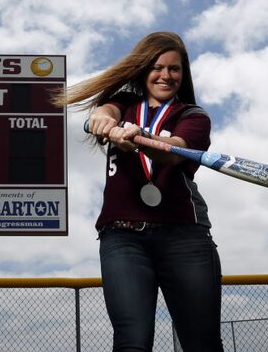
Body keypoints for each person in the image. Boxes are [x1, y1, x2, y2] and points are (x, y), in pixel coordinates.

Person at [53, 31, 223, 351]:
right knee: (132, 341)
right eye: (157, 67)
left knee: (202, 344)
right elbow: (104, 113)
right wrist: (104, 122)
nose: (165, 75)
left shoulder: (193, 116)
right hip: (123, 238)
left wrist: (143, 135)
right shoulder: (124, 104)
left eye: (174, 69)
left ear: (183, 75)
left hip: (184, 236)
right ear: (144, 70)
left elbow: (173, 151)